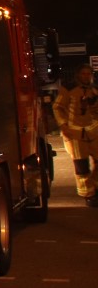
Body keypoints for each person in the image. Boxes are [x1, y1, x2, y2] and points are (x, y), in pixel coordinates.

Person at [52, 63, 98, 207]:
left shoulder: (94, 90)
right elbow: (57, 107)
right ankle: (88, 194)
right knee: (81, 165)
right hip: (75, 133)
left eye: (88, 74)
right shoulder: (68, 90)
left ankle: (95, 186)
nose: (86, 76)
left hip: (93, 131)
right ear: (78, 75)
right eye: (83, 73)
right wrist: (63, 126)